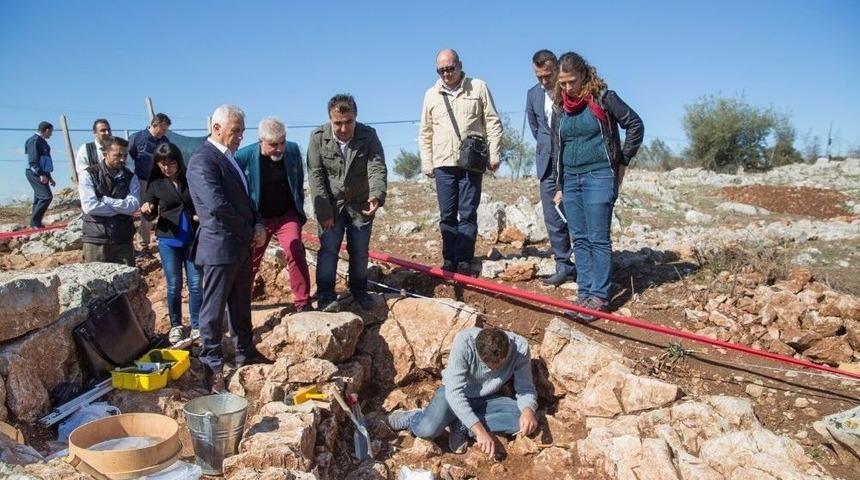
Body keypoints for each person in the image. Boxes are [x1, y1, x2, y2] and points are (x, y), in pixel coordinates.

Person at [551, 51, 644, 319]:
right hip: (571, 180)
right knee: (579, 238)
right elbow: (559, 148)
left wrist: (622, 160)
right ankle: (584, 294)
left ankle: (600, 298)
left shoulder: (604, 98)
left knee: (598, 238)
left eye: (572, 81)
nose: (567, 87)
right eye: (563, 82)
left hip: (599, 176)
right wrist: (559, 185)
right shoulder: (560, 107)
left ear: (584, 75)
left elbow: (635, 125)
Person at [187, 104, 267, 393]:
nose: (240, 137)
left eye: (242, 131)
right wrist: (248, 231)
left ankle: (245, 352)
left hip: (239, 245)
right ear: (216, 128)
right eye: (235, 131)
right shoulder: (202, 161)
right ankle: (212, 366)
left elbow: (247, 200)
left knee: (241, 303)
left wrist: (257, 223)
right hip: (220, 246)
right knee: (213, 309)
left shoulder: (230, 159)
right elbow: (216, 206)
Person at [387, 327, 539, 457]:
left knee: (525, 420)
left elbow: (525, 389)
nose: (495, 369)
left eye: (500, 363)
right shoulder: (465, 342)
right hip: (455, 396)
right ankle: (415, 418)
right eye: (489, 364)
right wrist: (480, 431)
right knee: (426, 430)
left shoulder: (520, 348)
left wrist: (527, 410)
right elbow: (454, 392)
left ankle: (464, 425)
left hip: (487, 399)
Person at [419, 49, 503, 276]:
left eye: (450, 68)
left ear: (459, 65)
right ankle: (449, 259)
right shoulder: (431, 95)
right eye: (441, 70)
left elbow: (493, 122)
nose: (446, 73)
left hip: (471, 162)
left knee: (467, 213)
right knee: (447, 214)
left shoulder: (478, 87)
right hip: (443, 162)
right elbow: (425, 131)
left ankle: (464, 260)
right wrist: (427, 162)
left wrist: (494, 154)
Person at [307, 94, 387, 312]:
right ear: (330, 120)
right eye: (338, 123)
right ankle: (325, 295)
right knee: (328, 250)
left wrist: (377, 195)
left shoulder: (368, 136)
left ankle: (359, 291)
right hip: (331, 205)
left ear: (355, 117)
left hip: (360, 204)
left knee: (360, 251)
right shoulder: (317, 138)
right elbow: (315, 175)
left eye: (348, 122)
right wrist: (323, 211)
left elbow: (377, 167)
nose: (343, 128)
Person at [236, 117, 312, 313]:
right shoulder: (243, 156)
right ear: (261, 141)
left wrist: (298, 209)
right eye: (273, 145)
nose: (279, 149)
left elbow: (298, 180)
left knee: (295, 251)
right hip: (259, 217)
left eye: (282, 142)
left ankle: (303, 302)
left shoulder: (293, 150)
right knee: (250, 260)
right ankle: (240, 303)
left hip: (287, 214)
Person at [140, 143, 201, 344]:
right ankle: (176, 325)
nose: (167, 168)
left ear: (178, 162)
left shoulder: (189, 179)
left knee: (195, 283)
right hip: (169, 239)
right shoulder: (155, 184)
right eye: (162, 164)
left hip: (191, 238)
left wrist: (197, 215)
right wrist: (147, 209)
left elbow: (197, 203)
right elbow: (150, 210)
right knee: (174, 284)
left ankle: (197, 325)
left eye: (171, 163)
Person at [526, 50, 575, 286]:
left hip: (572, 162)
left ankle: (587, 266)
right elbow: (537, 129)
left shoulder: (568, 90)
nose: (544, 82)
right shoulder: (532, 95)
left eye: (548, 75)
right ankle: (564, 265)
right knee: (553, 218)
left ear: (556, 69)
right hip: (547, 165)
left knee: (576, 215)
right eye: (539, 77)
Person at [79, 136, 140, 266]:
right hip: (96, 241)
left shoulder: (131, 177)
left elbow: (133, 206)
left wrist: (107, 201)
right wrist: (121, 209)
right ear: (105, 154)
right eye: (118, 155)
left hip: (123, 239)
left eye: (125, 155)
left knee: (128, 283)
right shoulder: (89, 174)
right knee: (97, 283)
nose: (123, 159)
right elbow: (90, 206)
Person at [129, 113, 172, 254]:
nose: (164, 132)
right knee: (145, 211)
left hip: (158, 181)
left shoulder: (164, 140)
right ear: (154, 125)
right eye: (163, 129)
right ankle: (143, 245)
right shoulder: (137, 138)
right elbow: (129, 157)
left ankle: (165, 239)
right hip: (141, 180)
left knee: (162, 209)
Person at [24, 121, 56, 228]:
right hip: (34, 173)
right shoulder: (34, 141)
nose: (51, 134)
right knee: (46, 197)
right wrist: (41, 174)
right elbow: (33, 161)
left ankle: (35, 224)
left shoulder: (43, 142)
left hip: (42, 173)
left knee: (38, 198)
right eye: (51, 132)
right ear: (47, 130)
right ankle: (34, 222)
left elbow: (45, 162)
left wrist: (50, 177)